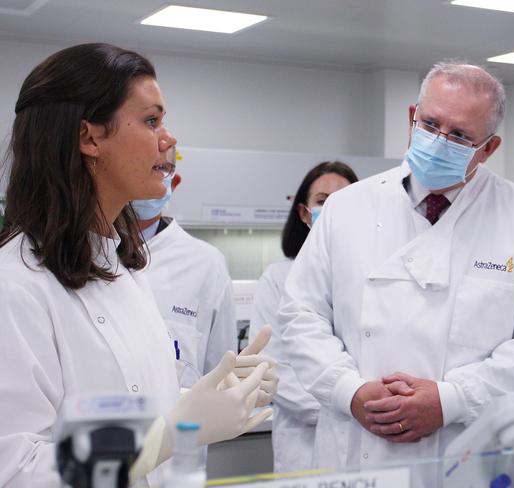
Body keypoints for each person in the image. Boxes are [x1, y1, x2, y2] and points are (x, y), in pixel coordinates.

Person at [0, 43, 274, 487]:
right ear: (89, 137)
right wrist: (167, 434)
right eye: (151, 120)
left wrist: (208, 398)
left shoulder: (125, 268)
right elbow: (18, 470)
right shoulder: (15, 285)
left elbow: (127, 401)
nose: (169, 139)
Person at [279, 61, 514, 485]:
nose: (439, 142)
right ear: (410, 118)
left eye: (459, 136)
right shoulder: (347, 208)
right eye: (430, 124)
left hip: (467, 451)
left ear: (489, 148)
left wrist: (451, 399)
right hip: (355, 451)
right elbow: (299, 317)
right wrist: (351, 391)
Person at [249, 161, 359, 472]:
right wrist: (350, 407)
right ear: (304, 212)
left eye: (346, 200)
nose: (335, 209)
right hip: (304, 443)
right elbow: (274, 369)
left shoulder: (375, 279)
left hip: (367, 443)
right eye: (323, 201)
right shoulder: (278, 279)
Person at [133, 146, 238, 388]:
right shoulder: (83, 252)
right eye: (139, 167)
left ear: (174, 182)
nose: (146, 178)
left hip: (183, 424)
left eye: (159, 168)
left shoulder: (207, 263)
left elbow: (221, 372)